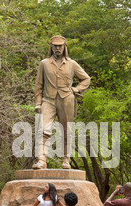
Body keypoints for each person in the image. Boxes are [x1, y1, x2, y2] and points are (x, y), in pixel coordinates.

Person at [32, 35, 91, 170]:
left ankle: (66, 159)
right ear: (51, 47)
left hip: (66, 99)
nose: (58, 48)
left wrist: (76, 89)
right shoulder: (44, 63)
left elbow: (86, 79)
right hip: (48, 100)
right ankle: (41, 159)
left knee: (66, 130)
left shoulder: (72, 64)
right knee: (42, 129)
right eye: (55, 46)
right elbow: (38, 85)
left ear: (64, 47)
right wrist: (38, 103)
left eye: (60, 46)